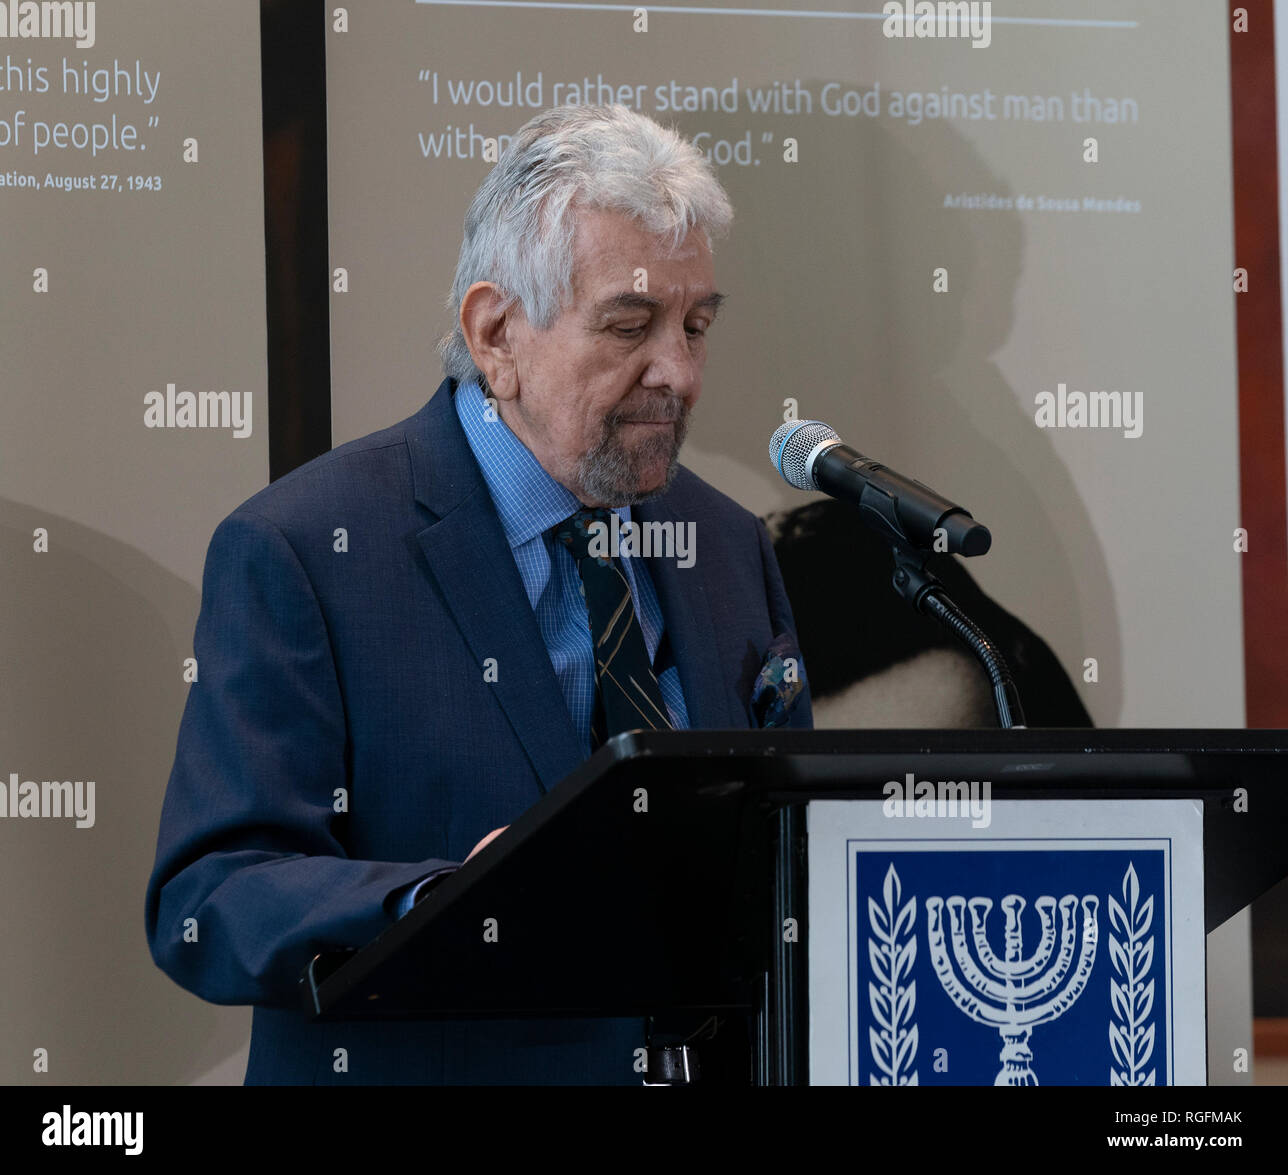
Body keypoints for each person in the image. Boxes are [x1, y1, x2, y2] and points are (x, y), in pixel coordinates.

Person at [145, 103, 812, 1085]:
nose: (678, 371)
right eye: (631, 324)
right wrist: (445, 903)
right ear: (495, 330)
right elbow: (210, 898)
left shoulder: (725, 544)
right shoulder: (306, 549)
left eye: (696, 325)